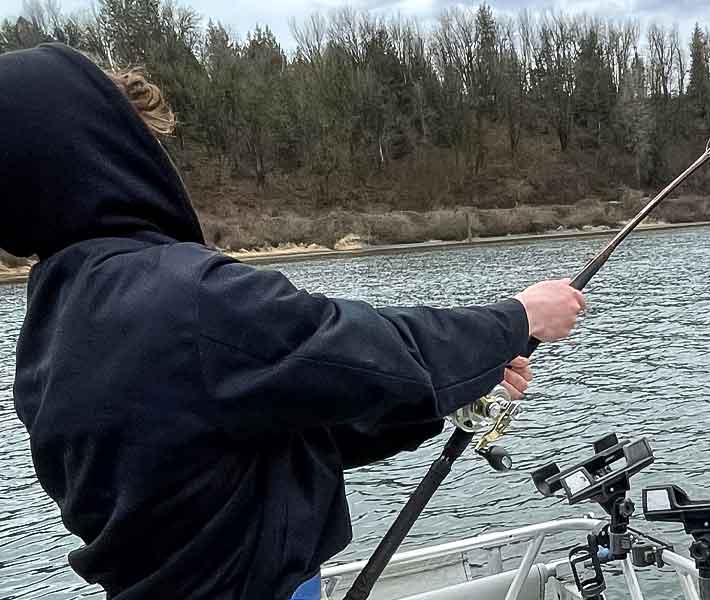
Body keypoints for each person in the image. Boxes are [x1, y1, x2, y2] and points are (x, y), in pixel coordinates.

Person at [0, 43, 586, 599]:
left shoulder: (53, 323)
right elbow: (366, 350)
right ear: (98, 153)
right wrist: (518, 318)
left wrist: (453, 391)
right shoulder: (182, 297)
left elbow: (276, 429)